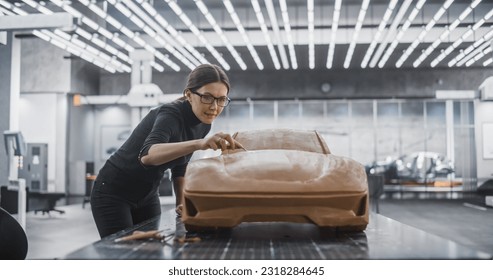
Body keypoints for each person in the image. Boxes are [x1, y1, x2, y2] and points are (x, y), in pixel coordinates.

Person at [90, 64, 244, 238]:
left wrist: (181, 201)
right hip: (114, 190)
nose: (214, 107)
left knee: (150, 249)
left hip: (147, 194)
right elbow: (147, 156)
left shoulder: (204, 123)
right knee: (121, 251)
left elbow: (180, 165)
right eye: (207, 97)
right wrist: (200, 143)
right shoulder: (170, 114)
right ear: (189, 95)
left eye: (221, 99)